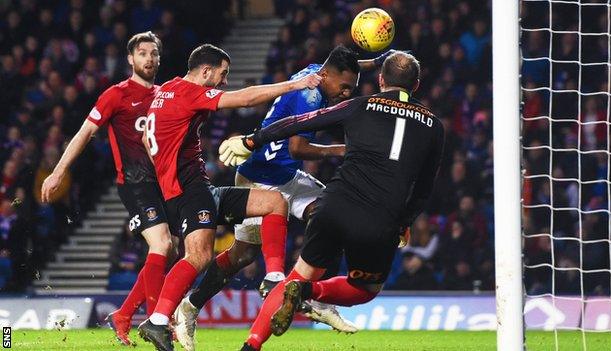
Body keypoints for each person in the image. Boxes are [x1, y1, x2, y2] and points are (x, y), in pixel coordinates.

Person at [218, 51, 445, 350]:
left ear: (380, 80)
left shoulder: (358, 105)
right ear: (416, 85)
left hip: (333, 205)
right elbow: (424, 187)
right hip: (380, 219)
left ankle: (252, 344)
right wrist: (404, 221)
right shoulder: (435, 127)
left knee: (295, 275)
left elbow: (295, 123)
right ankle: (308, 291)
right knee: (365, 288)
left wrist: (251, 141)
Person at [173, 46, 396, 348]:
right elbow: (298, 149)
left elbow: (344, 62)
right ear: (328, 77)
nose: (345, 94)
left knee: (330, 214)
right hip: (260, 178)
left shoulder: (316, 73)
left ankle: (312, 296)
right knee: (243, 255)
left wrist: (377, 62)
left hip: (286, 176)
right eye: (344, 87)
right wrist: (344, 150)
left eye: (351, 89)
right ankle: (191, 306)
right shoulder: (309, 96)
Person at [136, 43, 322, 351]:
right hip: (188, 191)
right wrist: (296, 84)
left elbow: (145, 138)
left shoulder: (166, 89)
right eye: (223, 74)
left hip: (196, 188)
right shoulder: (188, 92)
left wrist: (167, 165)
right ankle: (157, 322)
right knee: (197, 257)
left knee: (275, 202)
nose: (224, 81)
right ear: (205, 71)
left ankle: (274, 277)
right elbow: (245, 98)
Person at [40, 31, 175, 346]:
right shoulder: (116, 95)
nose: (150, 59)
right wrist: (58, 171)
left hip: (163, 183)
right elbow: (86, 132)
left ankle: (124, 315)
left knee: (170, 251)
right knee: (161, 244)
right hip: (134, 182)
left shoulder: (164, 94)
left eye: (154, 53)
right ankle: (158, 324)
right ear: (130, 59)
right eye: (143, 53)